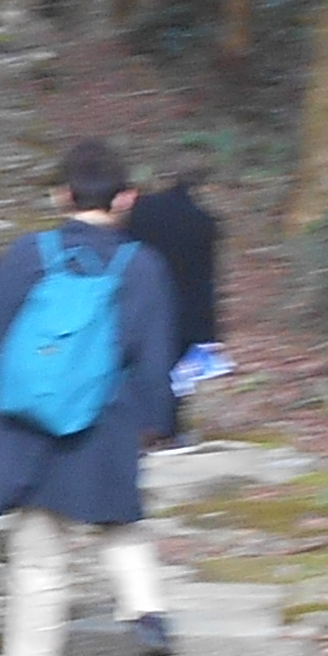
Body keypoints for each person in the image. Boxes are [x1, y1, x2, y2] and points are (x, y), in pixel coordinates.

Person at [0, 136, 180, 656]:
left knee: (37, 548)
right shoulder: (143, 267)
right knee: (119, 521)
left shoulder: (28, 254)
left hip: (27, 422)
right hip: (103, 420)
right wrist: (156, 423)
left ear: (61, 195)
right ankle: (145, 609)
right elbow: (155, 358)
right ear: (126, 198)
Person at [120, 152, 227, 441]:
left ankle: (133, 425)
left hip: (139, 298)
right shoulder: (204, 223)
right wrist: (211, 331)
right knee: (177, 374)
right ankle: (168, 428)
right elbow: (206, 278)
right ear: (205, 187)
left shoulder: (142, 210)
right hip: (185, 309)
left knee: (137, 365)